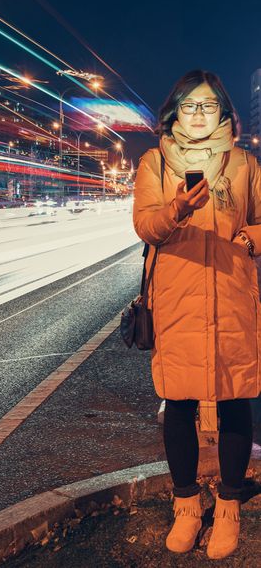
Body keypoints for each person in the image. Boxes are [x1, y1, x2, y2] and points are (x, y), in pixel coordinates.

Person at [133, 70, 261, 560]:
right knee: (179, 400)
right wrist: (177, 209)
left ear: (225, 114)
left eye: (208, 106)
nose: (199, 114)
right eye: (190, 106)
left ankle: (228, 507)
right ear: (174, 113)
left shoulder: (245, 163)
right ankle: (186, 504)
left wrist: (249, 241)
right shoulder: (154, 163)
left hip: (231, 291)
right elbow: (145, 225)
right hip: (178, 294)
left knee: (234, 397)